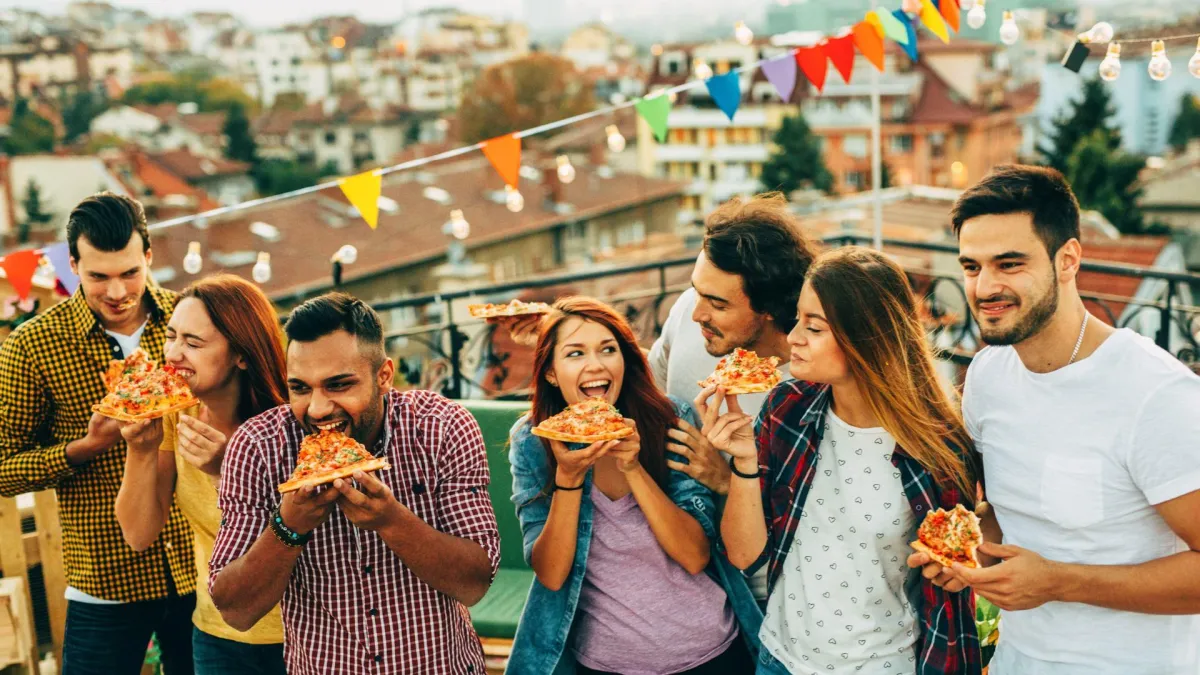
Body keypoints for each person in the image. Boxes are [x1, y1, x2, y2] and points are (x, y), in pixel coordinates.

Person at [912, 164, 1200, 675]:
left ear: (1067, 260)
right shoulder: (987, 374)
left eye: (1009, 264)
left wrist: (1058, 581)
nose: (985, 288)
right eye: (972, 267)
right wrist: (966, 555)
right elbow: (1007, 511)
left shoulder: (1156, 394)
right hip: (1016, 661)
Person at [713, 247, 983, 675]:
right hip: (778, 659)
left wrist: (962, 565)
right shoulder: (787, 409)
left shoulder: (939, 448)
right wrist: (743, 462)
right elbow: (744, 555)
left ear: (865, 339)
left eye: (814, 327)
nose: (792, 338)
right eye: (799, 319)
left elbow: (964, 564)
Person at [207, 292, 500, 674]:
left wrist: (391, 521)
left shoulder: (443, 426)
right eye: (299, 388)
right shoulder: (257, 446)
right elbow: (235, 610)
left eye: (338, 385)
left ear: (384, 376)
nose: (317, 408)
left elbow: (474, 584)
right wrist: (289, 527)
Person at [506, 296, 761, 675]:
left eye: (608, 349)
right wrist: (569, 480)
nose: (596, 364)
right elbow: (552, 574)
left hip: (711, 652)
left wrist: (633, 469)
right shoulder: (533, 441)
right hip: (606, 664)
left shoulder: (670, 419)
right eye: (575, 354)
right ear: (551, 373)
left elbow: (694, 556)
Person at [0, 193, 195, 675]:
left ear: (149, 256)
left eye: (130, 272)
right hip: (104, 579)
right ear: (72, 266)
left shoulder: (191, 324)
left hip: (201, 567)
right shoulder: (32, 347)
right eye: (98, 277)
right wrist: (83, 449)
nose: (117, 292)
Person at [114, 274, 287, 675]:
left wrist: (228, 471)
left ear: (242, 355)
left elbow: (306, 537)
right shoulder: (179, 413)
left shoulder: (289, 424)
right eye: (171, 336)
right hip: (215, 635)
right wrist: (139, 450)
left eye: (192, 343)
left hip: (303, 632)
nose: (172, 354)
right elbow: (139, 534)